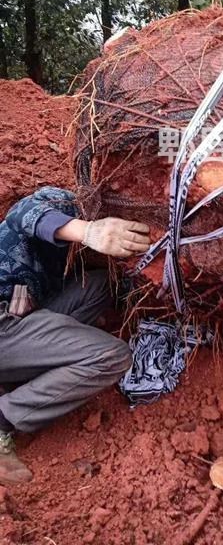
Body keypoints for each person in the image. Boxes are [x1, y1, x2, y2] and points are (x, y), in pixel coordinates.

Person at [0, 186, 151, 485]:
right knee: (112, 356)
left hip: (21, 317)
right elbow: (23, 213)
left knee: (102, 282)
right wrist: (88, 231)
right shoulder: (57, 200)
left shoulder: (61, 256)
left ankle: (19, 373)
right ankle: (5, 417)